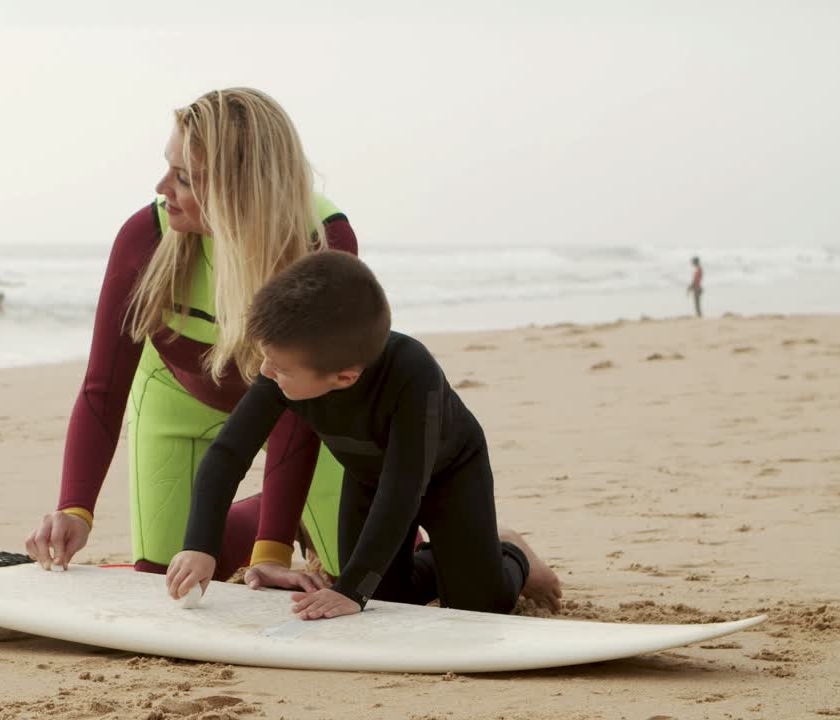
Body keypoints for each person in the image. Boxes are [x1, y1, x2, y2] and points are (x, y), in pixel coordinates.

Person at [24, 88, 359, 588]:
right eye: (168, 167)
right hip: (175, 400)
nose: (162, 187)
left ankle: (502, 549)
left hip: (308, 413)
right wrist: (76, 508)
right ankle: (281, 512)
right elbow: (103, 386)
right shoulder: (146, 238)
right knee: (167, 579)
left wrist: (271, 550)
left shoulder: (321, 243)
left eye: (184, 177)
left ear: (238, 187)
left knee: (379, 584)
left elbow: (300, 409)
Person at [166, 251, 562, 618]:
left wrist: (351, 591)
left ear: (344, 378)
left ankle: (509, 551)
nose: (266, 372)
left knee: (479, 607)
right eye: (265, 357)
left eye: (279, 367)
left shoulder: (411, 372)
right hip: (369, 476)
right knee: (389, 599)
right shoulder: (286, 367)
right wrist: (201, 544)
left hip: (449, 475)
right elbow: (227, 454)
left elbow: (404, 488)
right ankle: (444, 557)